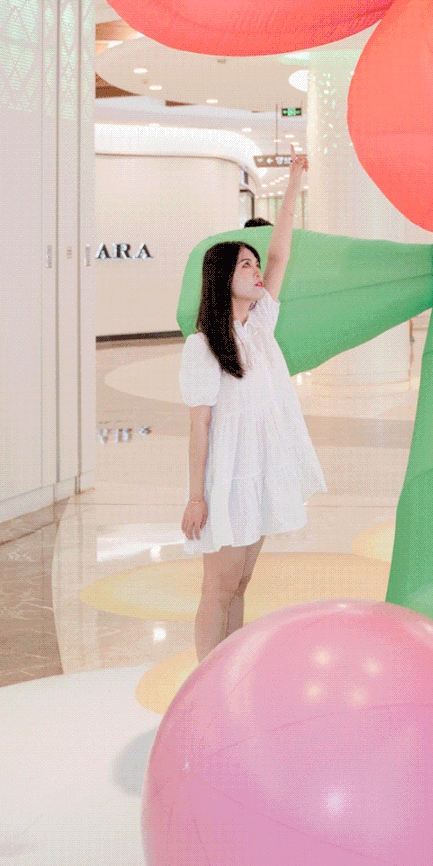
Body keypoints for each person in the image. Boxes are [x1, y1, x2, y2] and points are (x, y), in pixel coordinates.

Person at [179, 151, 326, 661]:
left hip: (258, 471)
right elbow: (199, 426)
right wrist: (195, 497)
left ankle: (229, 669)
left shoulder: (259, 328)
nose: (258, 269)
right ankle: (205, 679)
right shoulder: (203, 346)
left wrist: (293, 185)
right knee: (218, 588)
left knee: (240, 584)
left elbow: (280, 254)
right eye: (245, 264)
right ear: (223, 278)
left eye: (255, 262)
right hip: (225, 478)